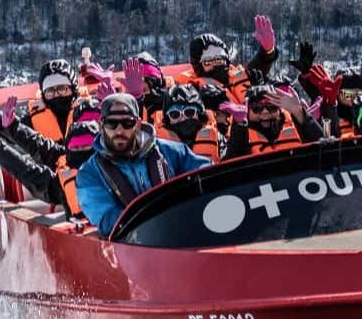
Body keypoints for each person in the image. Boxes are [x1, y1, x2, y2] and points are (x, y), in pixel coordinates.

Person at [72, 94, 211, 231]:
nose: (119, 130)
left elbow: (207, 175)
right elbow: (107, 219)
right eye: (111, 123)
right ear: (101, 125)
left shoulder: (173, 151)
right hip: (133, 245)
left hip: (182, 231)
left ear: (138, 124)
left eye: (127, 123)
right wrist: (158, 219)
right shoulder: (89, 174)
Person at [190, 15, 283, 105]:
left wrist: (268, 50)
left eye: (219, 60)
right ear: (198, 66)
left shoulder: (240, 75)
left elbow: (259, 65)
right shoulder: (194, 91)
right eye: (208, 62)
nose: (216, 65)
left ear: (226, 60)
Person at [222, 85, 323, 159]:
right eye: (257, 108)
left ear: (280, 109)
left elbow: (324, 148)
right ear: (248, 111)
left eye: (271, 107)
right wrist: (239, 125)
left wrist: (299, 111)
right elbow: (230, 164)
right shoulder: (241, 134)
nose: (265, 112)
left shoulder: (297, 125)